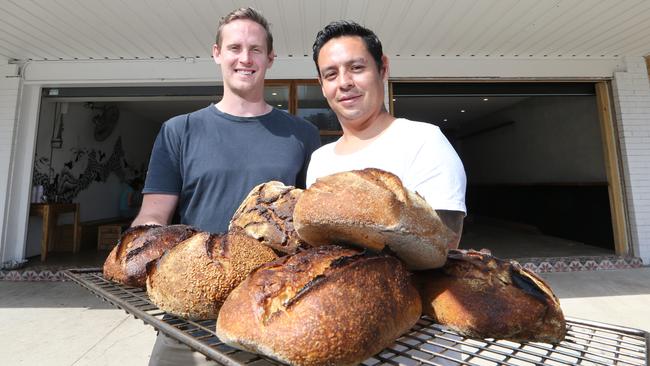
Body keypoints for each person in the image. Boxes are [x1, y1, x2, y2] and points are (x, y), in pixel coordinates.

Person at [133, 7, 320, 366]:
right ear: (217, 53)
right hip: (189, 320)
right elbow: (155, 213)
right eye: (234, 48)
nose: (244, 58)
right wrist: (140, 255)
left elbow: (312, 224)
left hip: (272, 316)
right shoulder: (179, 130)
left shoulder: (302, 134)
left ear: (270, 58)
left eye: (255, 49)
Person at [308, 21, 466, 248]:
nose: (344, 83)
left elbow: (443, 246)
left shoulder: (424, 141)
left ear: (382, 68)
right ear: (322, 85)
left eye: (356, 68)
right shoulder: (320, 160)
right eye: (331, 74)